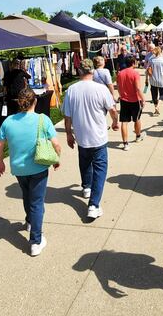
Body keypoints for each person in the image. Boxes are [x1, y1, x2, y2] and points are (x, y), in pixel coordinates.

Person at [0, 89, 62, 256]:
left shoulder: (8, 121)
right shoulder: (43, 119)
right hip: (38, 166)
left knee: (27, 195)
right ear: (35, 102)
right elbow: (56, 144)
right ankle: (36, 241)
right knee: (37, 202)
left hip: (19, 168)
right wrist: (57, 158)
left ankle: (30, 221)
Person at [63, 59, 120, 220]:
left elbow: (67, 116)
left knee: (85, 161)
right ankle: (94, 204)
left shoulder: (71, 90)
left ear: (80, 71)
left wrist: (68, 133)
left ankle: (87, 186)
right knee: (100, 169)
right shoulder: (100, 89)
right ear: (92, 71)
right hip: (99, 137)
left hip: (82, 136)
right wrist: (115, 122)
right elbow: (112, 110)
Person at [116, 56, 145, 150]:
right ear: (133, 63)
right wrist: (143, 99)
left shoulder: (120, 73)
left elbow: (119, 87)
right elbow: (138, 88)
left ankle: (125, 143)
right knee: (137, 119)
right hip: (135, 100)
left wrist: (121, 95)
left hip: (124, 100)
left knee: (124, 122)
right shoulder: (135, 73)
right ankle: (138, 136)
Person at [146, 46, 163, 117]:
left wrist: (146, 78)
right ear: (160, 52)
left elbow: (147, 70)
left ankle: (156, 108)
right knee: (162, 94)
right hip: (161, 80)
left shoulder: (151, 60)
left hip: (153, 80)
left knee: (154, 95)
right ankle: (158, 106)